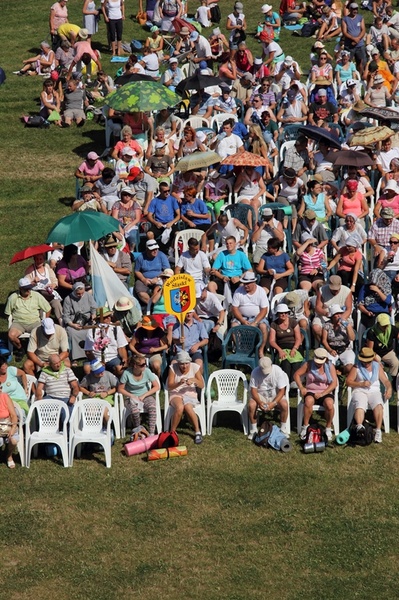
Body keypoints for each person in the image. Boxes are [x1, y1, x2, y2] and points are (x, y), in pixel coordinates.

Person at [346, 347, 392, 443]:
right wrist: (360, 384)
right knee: (360, 405)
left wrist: (389, 389)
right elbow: (348, 382)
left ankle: (378, 430)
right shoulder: (356, 367)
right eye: (364, 361)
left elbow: (386, 380)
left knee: (378, 405)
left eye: (368, 361)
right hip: (360, 390)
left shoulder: (377, 366)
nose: (366, 363)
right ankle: (359, 426)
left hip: (374, 391)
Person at [294, 347, 338, 441]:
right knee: (308, 401)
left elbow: (334, 383)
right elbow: (296, 375)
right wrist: (301, 387)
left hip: (325, 391)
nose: (318, 364)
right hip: (311, 390)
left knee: (329, 404)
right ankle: (305, 426)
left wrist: (322, 394)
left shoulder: (330, 366)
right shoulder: (308, 364)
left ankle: (328, 428)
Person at [5, 278, 51, 360]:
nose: (28, 290)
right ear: (20, 289)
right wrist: (11, 321)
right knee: (11, 335)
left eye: (29, 288)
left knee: (43, 333)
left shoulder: (36, 295)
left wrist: (45, 320)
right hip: (19, 322)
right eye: (26, 289)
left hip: (34, 322)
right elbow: (7, 313)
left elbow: (47, 308)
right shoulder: (13, 297)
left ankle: (39, 350)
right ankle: (20, 349)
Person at [166, 350, 205, 444]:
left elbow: (202, 385)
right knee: (180, 407)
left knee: (188, 406)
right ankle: (172, 432)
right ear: (178, 363)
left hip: (190, 393)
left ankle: (197, 431)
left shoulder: (195, 367)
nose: (184, 366)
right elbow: (169, 386)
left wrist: (194, 380)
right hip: (176, 393)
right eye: (182, 364)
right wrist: (179, 383)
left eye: (187, 363)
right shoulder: (172, 368)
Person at [247, 356, 289, 439]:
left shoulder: (277, 371)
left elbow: (281, 390)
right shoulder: (255, 372)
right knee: (251, 405)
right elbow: (253, 390)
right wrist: (259, 402)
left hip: (274, 395)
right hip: (260, 395)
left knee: (284, 404)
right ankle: (253, 430)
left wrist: (274, 403)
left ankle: (283, 429)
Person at [118, 355, 160, 437]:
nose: (144, 366)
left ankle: (151, 433)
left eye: (145, 364)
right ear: (135, 365)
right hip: (131, 397)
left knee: (152, 407)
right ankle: (138, 430)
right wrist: (131, 396)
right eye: (142, 365)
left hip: (145, 396)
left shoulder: (147, 371)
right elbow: (120, 389)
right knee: (135, 411)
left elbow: (156, 386)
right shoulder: (127, 373)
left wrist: (144, 395)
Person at [231, 271, 269, 357]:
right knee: (234, 326)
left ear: (253, 283)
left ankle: (261, 350)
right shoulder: (238, 291)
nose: (245, 285)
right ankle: (239, 349)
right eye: (244, 283)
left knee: (263, 327)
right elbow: (234, 308)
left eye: (248, 284)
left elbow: (264, 310)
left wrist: (255, 322)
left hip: (257, 317)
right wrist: (242, 320)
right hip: (242, 317)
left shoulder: (261, 291)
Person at [84, 307, 128, 376]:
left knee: (120, 368)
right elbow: (88, 351)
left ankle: (113, 380)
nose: (108, 318)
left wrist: (124, 358)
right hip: (97, 357)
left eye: (109, 316)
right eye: (105, 317)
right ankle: (92, 383)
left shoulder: (116, 328)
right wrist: (97, 362)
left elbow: (121, 347)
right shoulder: (92, 330)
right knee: (87, 368)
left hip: (112, 357)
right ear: (98, 319)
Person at [24, 252, 63, 325]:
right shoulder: (30, 270)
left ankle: (62, 322)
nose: (39, 261)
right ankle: (43, 323)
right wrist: (33, 282)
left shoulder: (47, 268)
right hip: (38, 295)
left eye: (40, 259)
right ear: (34, 260)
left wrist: (53, 285)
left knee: (56, 303)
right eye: (37, 259)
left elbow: (55, 280)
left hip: (49, 293)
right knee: (44, 305)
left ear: (44, 260)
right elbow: (25, 285)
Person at [63, 282, 97, 362]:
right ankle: (76, 356)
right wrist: (72, 325)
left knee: (92, 330)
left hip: (87, 320)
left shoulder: (88, 296)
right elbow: (66, 316)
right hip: (74, 322)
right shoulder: (68, 299)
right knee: (72, 333)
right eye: (78, 294)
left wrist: (93, 314)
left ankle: (91, 352)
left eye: (82, 293)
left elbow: (94, 307)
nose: (81, 295)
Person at [313, 275, 353, 343]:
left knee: (348, 326)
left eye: (337, 289)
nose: (335, 291)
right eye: (333, 289)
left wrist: (341, 319)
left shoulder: (347, 291)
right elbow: (318, 307)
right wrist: (326, 313)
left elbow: (348, 309)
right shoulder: (322, 290)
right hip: (326, 314)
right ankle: (324, 344)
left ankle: (344, 345)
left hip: (341, 315)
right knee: (316, 328)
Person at [134, 239, 171, 305]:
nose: (155, 251)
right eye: (152, 249)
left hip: (160, 277)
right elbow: (137, 271)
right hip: (145, 278)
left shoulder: (161, 255)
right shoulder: (141, 257)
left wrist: (158, 278)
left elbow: (167, 270)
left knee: (156, 290)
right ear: (147, 249)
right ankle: (150, 305)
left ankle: (156, 305)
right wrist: (143, 279)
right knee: (139, 290)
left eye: (156, 249)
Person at [146, 181, 181, 251]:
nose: (167, 193)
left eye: (168, 190)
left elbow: (178, 215)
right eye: (165, 191)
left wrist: (171, 223)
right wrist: (156, 223)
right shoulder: (155, 201)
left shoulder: (172, 200)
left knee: (178, 234)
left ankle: (172, 250)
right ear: (160, 191)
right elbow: (149, 216)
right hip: (159, 224)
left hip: (170, 223)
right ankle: (154, 250)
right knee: (149, 234)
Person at [322, 305, 356, 374]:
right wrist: (330, 350)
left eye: (340, 313)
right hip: (332, 349)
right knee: (329, 367)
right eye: (336, 314)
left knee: (350, 368)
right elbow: (324, 340)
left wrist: (348, 326)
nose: (339, 316)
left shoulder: (347, 323)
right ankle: (334, 375)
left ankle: (341, 371)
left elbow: (352, 338)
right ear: (332, 316)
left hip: (345, 348)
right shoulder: (327, 325)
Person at [365, 313, 399, 379]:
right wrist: (378, 361)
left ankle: (393, 380)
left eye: (387, 325)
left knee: (395, 362)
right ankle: (380, 381)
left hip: (387, 351)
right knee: (377, 364)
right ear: (378, 324)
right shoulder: (371, 332)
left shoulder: (392, 328)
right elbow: (370, 350)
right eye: (383, 325)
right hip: (375, 353)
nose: (386, 327)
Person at [341, 2, 366, 77]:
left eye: (356, 9)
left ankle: (360, 76)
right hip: (349, 45)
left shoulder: (360, 18)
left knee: (361, 62)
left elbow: (363, 30)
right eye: (353, 9)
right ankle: (348, 75)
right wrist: (353, 39)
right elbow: (344, 32)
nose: (355, 10)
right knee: (347, 61)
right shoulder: (345, 19)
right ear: (350, 9)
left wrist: (358, 39)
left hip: (360, 44)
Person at [0, 391, 21, 469]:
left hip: (8, 425)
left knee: (13, 441)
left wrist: (13, 429)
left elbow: (13, 415)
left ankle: (9, 455)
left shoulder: (5, 397)